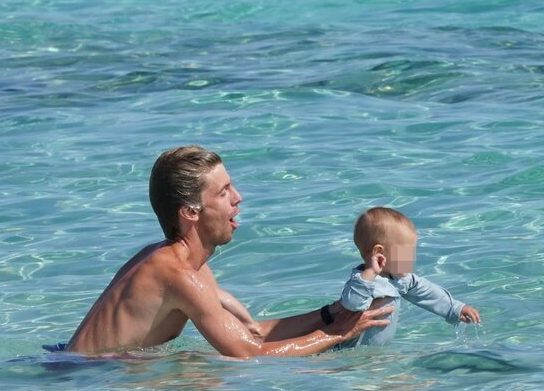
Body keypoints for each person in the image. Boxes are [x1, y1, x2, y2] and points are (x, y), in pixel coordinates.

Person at [64, 146, 393, 358]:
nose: (238, 198)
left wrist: (330, 314)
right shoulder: (176, 274)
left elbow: (253, 331)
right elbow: (249, 354)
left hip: (86, 370)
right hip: (83, 379)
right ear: (190, 212)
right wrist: (337, 333)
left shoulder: (187, 266)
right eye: (223, 193)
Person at [338, 207, 480, 347]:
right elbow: (352, 303)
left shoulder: (398, 279)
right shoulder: (360, 282)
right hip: (350, 353)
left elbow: (427, 292)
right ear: (379, 252)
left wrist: (455, 308)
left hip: (375, 355)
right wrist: (369, 274)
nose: (413, 258)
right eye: (407, 252)